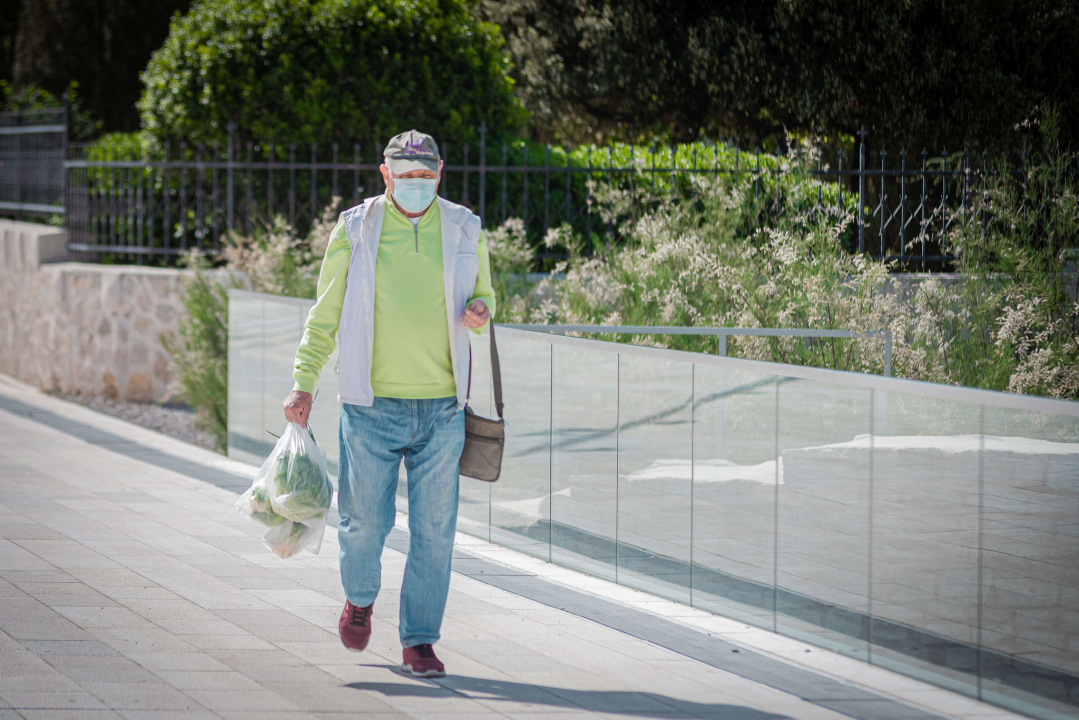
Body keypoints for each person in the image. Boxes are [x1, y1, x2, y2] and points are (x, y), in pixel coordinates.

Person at [281, 130, 495, 678]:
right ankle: (359, 597)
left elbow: (486, 295)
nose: (417, 185)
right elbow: (325, 313)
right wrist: (303, 383)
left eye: (426, 176)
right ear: (385, 174)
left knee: (434, 531)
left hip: (443, 409)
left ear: (440, 172)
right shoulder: (355, 229)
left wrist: (479, 310)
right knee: (363, 524)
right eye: (406, 176)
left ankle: (419, 640)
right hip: (371, 408)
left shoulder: (465, 225)